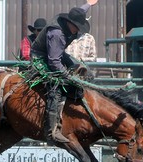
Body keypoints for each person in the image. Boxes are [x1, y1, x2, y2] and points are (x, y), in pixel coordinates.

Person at [31, 0, 98, 145]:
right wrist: (68, 76)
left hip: (56, 54)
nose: (78, 31)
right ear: (70, 23)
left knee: (86, 72)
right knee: (55, 87)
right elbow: (54, 62)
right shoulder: (57, 34)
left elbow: (80, 11)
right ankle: (52, 131)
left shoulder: (71, 22)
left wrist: (89, 4)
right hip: (40, 57)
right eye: (77, 27)